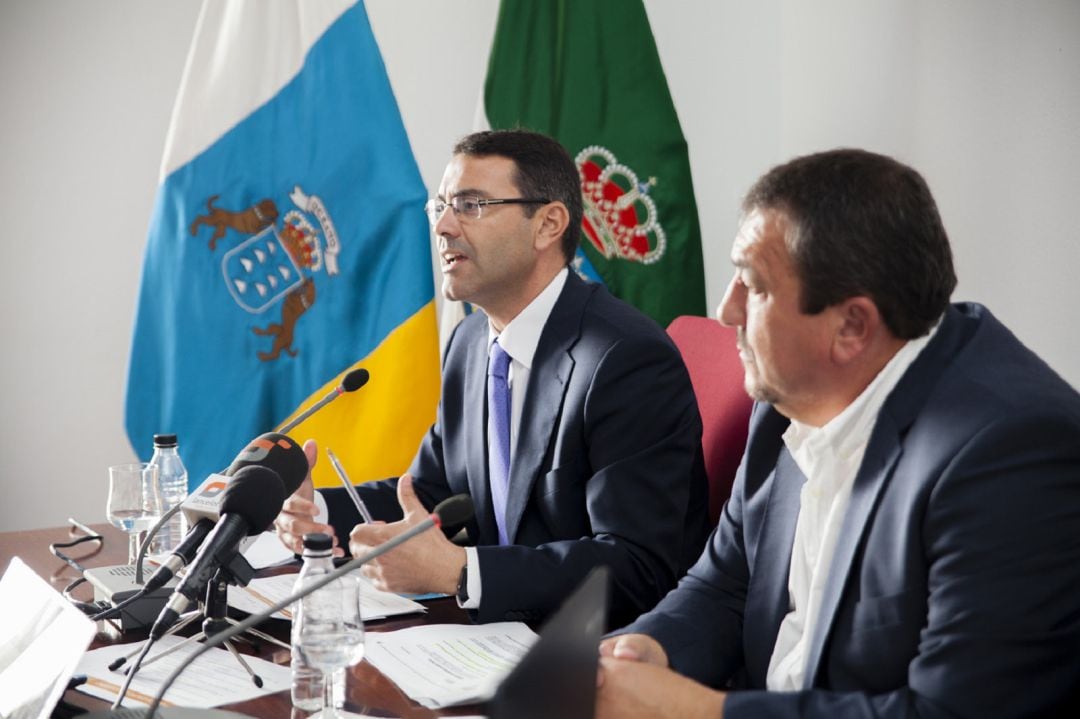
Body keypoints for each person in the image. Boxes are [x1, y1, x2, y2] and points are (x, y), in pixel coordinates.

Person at [596, 148, 1080, 718]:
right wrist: (644, 651)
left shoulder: (1009, 452)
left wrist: (698, 712)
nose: (726, 311)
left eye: (753, 286)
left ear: (851, 326)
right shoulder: (790, 393)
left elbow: (948, 713)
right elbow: (725, 584)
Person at [274, 129, 710, 626]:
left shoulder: (625, 359)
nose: (442, 226)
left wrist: (462, 571)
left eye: (470, 205)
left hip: (594, 650)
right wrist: (319, 512)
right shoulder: (469, 342)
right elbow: (435, 494)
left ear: (547, 225)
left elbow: (636, 568)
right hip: (487, 636)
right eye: (439, 206)